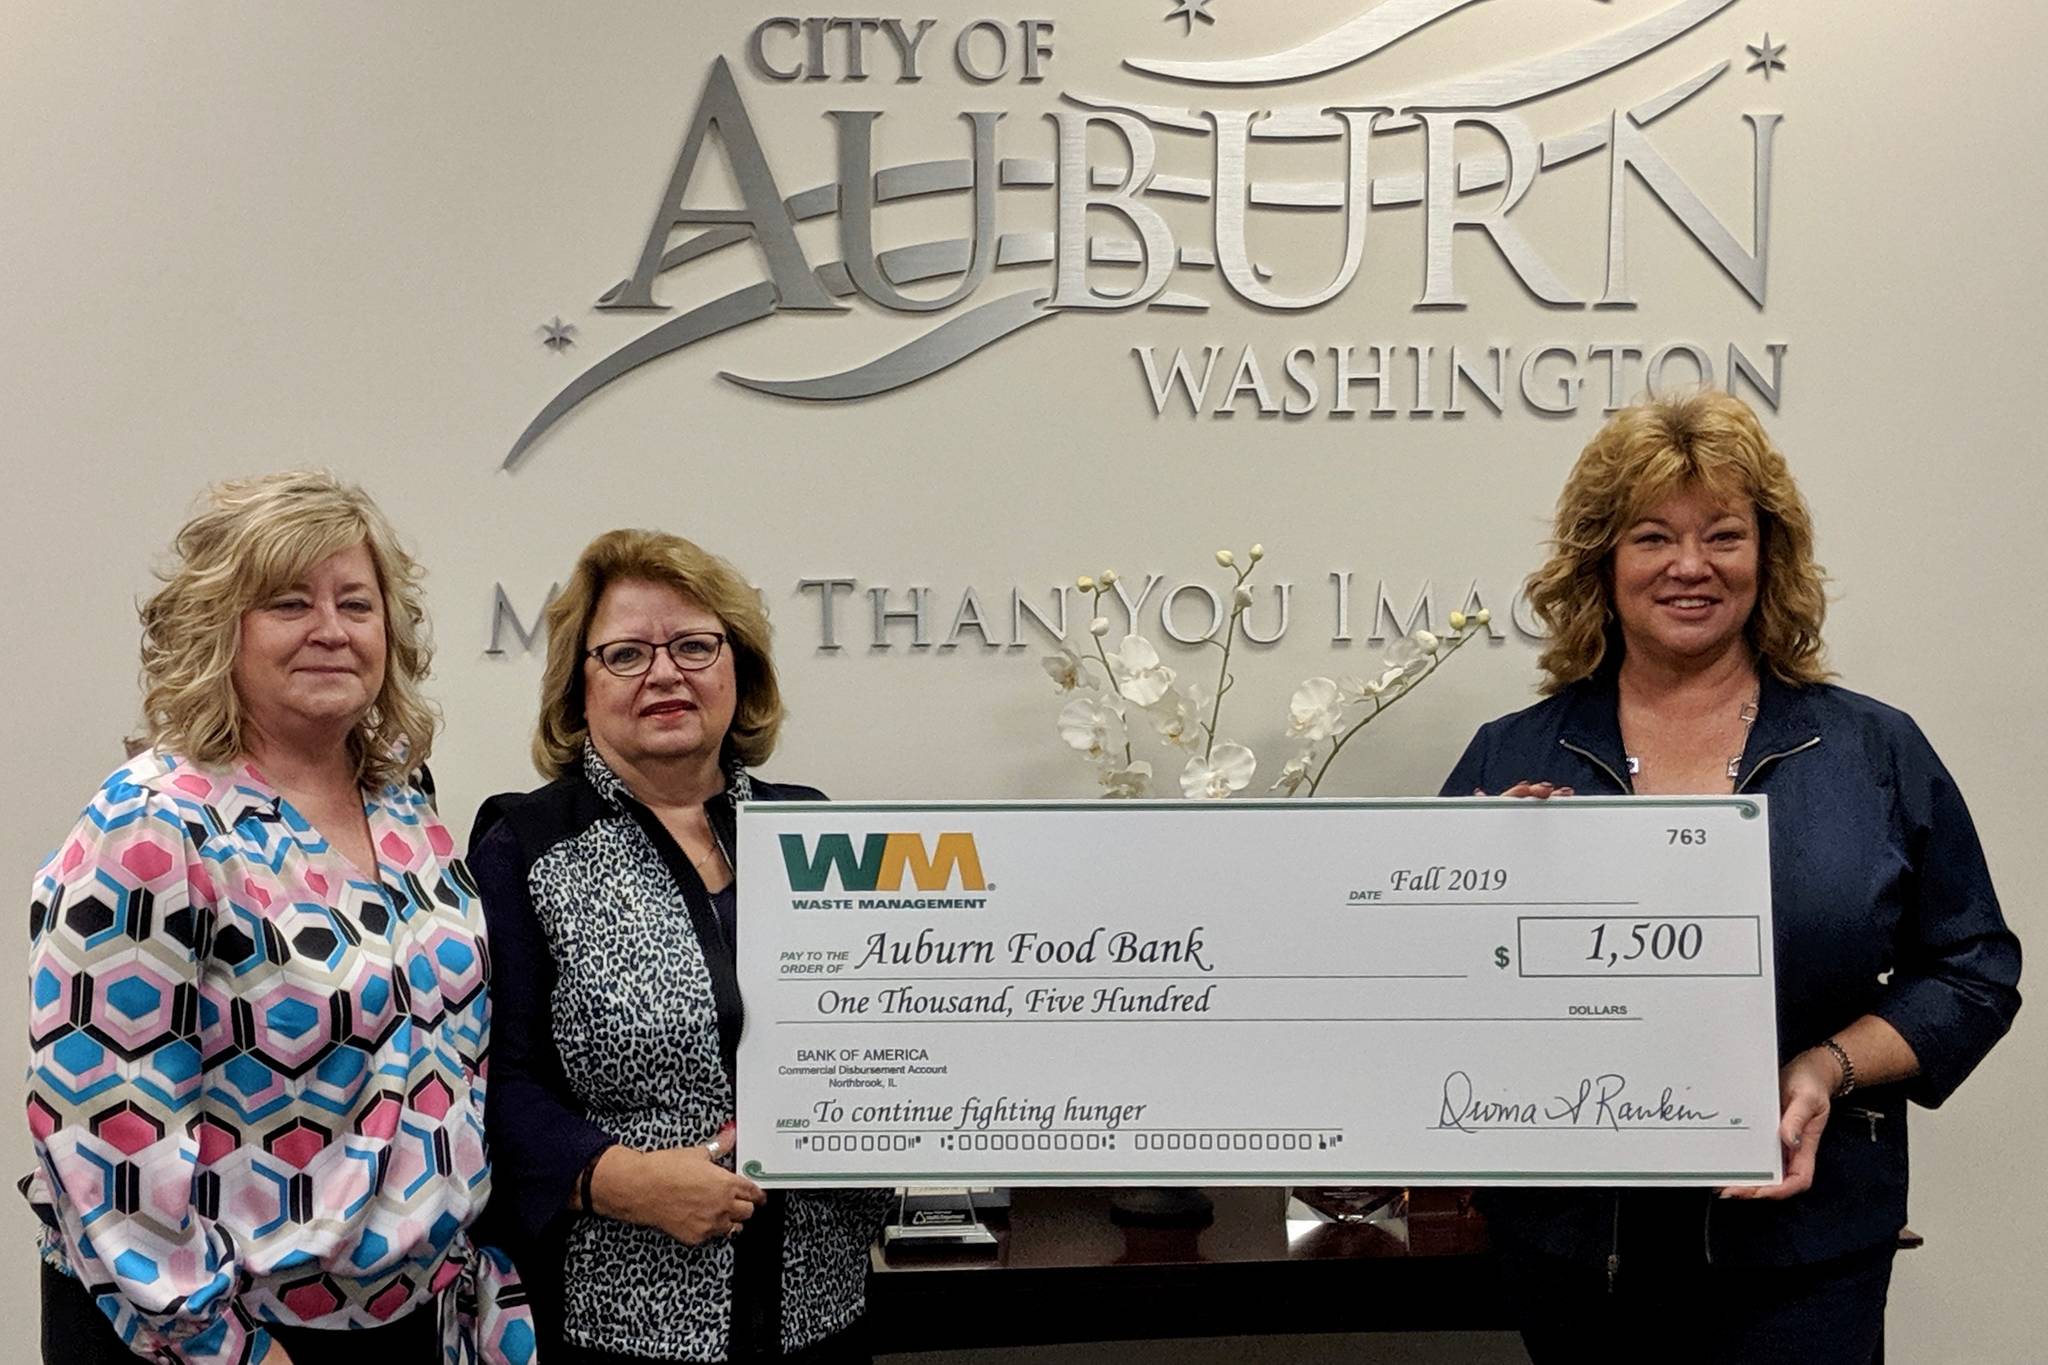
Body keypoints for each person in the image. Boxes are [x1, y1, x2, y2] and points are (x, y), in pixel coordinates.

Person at [1441, 391, 2022, 1363]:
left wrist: (1822, 1069)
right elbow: (1428, 991)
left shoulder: (1870, 751)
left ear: (1767, 557)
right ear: (1601, 561)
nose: (1688, 566)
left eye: (1722, 535)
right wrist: (1471, 889)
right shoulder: (1509, 757)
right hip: (1576, 1254)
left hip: (1805, 1250)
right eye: (1650, 537)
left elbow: (1971, 969)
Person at [25, 472, 533, 1365]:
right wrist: (217, 1341)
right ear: (222, 627)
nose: (330, 630)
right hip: (228, 1339)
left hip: (409, 1318)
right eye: (289, 602)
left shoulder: (403, 802)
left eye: (356, 603)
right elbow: (107, 1122)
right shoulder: (154, 822)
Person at [468, 529, 886, 1364]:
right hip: (622, 1327)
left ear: (739, 667)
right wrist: (618, 1178)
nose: (665, 673)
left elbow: (877, 1031)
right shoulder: (526, 843)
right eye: (625, 653)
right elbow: (493, 1081)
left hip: (822, 1312)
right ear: (578, 687)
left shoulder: (812, 828)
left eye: (694, 645)